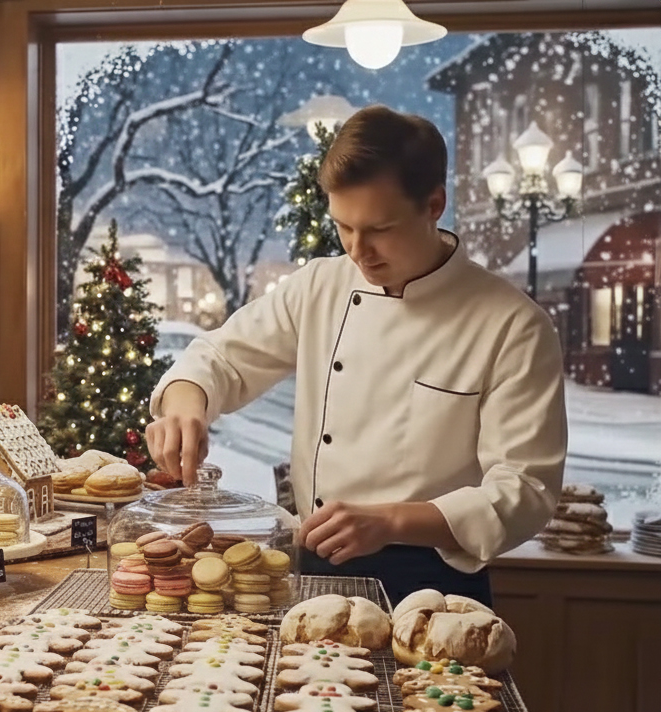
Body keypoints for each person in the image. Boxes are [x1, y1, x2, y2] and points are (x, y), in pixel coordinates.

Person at [145, 105, 567, 605]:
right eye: (343, 226)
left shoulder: (513, 325)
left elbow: (524, 491)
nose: (358, 250)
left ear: (434, 205)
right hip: (313, 568)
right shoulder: (321, 285)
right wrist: (185, 405)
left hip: (436, 584)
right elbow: (221, 357)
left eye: (380, 228)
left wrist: (390, 521)